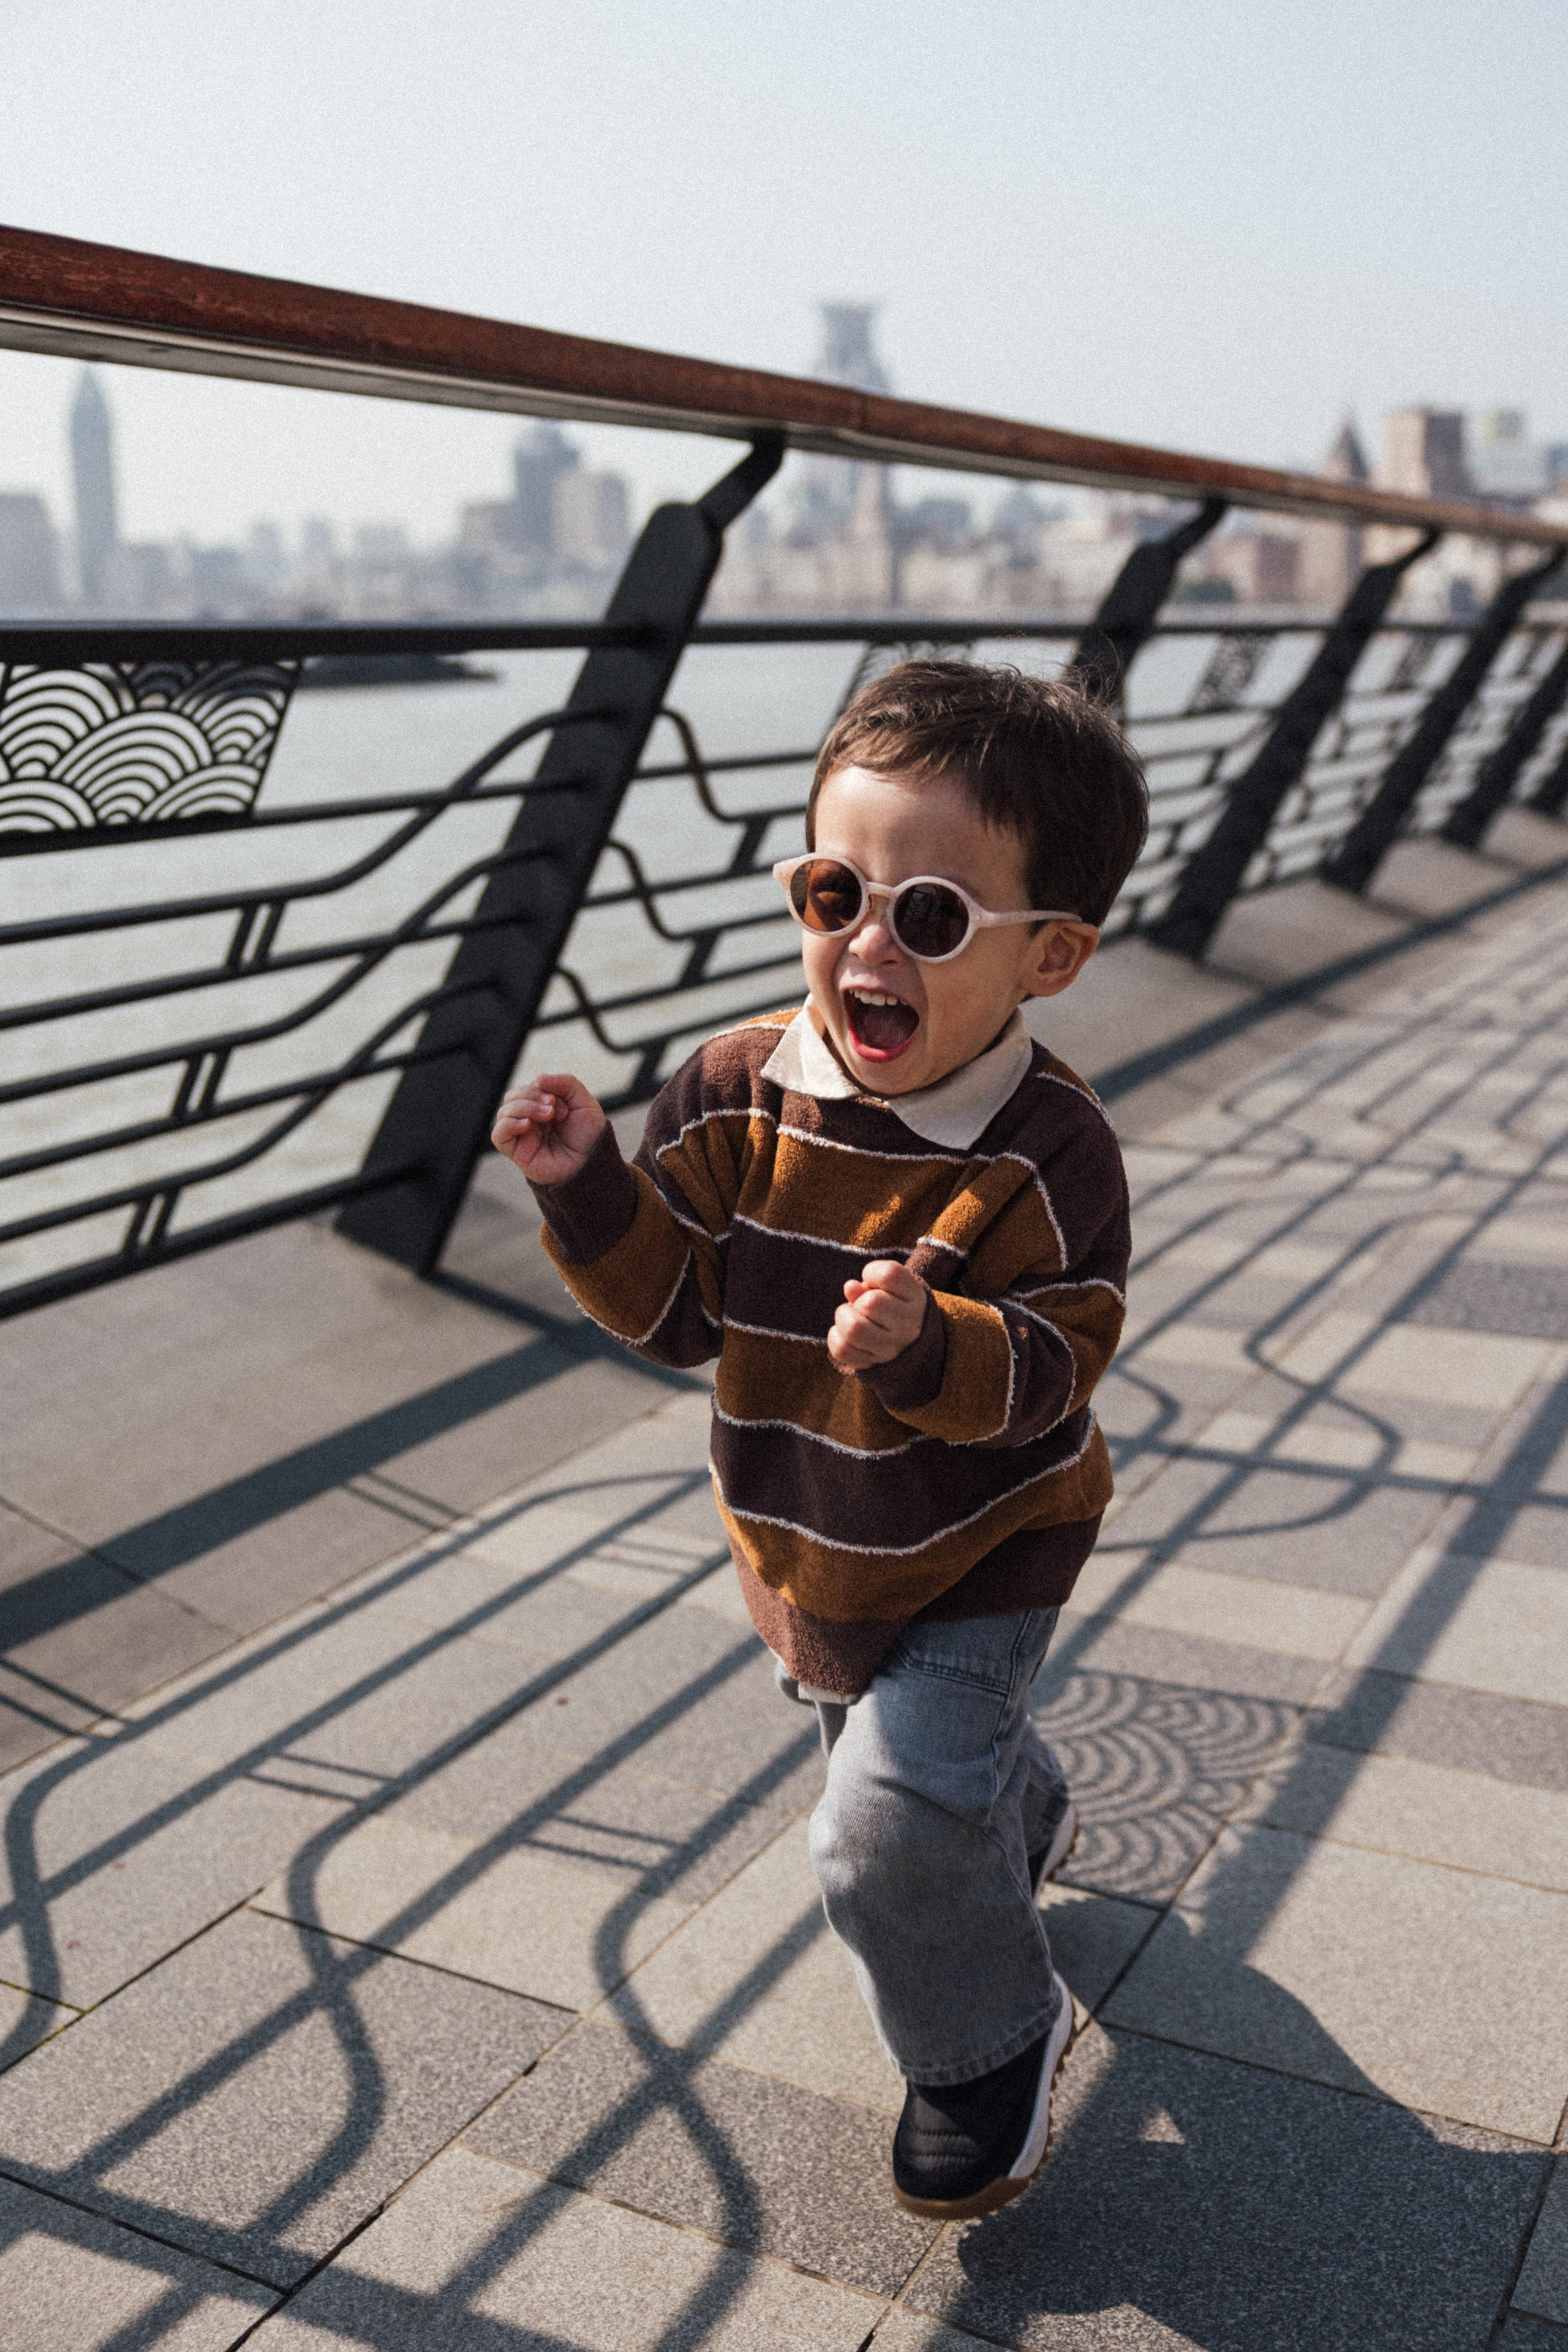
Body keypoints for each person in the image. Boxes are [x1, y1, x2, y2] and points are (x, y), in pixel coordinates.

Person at [492, 658, 1142, 2220]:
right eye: (834, 892)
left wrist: (929, 1346)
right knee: (915, 1777)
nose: (865, 943)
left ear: (1049, 955)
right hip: (809, 1532)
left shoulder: (1048, 1149)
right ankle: (1013, 1809)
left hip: (987, 1543)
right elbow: (677, 1316)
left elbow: (1058, 1364)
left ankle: (989, 2047)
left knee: (870, 1833)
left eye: (930, 916)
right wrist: (590, 1190)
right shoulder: (734, 1094)